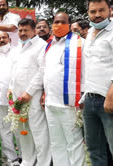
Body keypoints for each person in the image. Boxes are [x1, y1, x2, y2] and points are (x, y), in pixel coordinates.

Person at [23, 12, 86, 166]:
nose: (58, 25)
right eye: (56, 22)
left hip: (70, 102)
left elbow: (85, 71)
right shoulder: (49, 46)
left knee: (73, 143)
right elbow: (44, 72)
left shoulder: (80, 43)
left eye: (62, 22)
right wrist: (44, 93)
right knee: (57, 144)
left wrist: (83, 96)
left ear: (69, 25)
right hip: (51, 103)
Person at [82, 0, 113, 166]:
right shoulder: (90, 34)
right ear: (88, 12)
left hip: (111, 100)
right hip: (90, 99)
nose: (97, 15)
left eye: (101, 10)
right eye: (93, 11)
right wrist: (84, 96)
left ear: (109, 10)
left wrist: (111, 94)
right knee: (95, 152)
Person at [9, 19, 51, 166]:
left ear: (34, 31)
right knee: (23, 130)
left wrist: (29, 92)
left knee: (39, 132)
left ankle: (43, 162)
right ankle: (27, 161)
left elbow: (42, 71)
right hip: (18, 97)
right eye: (20, 31)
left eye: (26, 30)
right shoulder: (17, 47)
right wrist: (11, 89)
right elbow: (14, 71)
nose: (22, 33)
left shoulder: (42, 46)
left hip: (33, 96)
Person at [0, 32, 19, 166]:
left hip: (16, 96)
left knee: (18, 128)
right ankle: (11, 158)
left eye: (4, 38)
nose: (1, 40)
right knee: (4, 130)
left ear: (9, 39)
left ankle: (24, 157)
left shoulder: (17, 51)